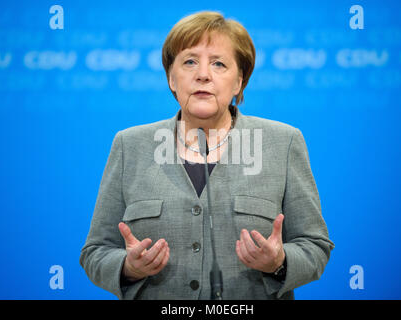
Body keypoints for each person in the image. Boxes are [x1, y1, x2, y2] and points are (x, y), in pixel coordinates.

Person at [80, 11, 334, 300]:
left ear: (238, 82)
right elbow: (95, 252)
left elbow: (315, 246)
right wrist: (128, 268)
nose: (203, 74)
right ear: (172, 79)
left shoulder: (283, 142)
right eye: (189, 61)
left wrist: (279, 263)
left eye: (218, 63)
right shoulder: (130, 145)